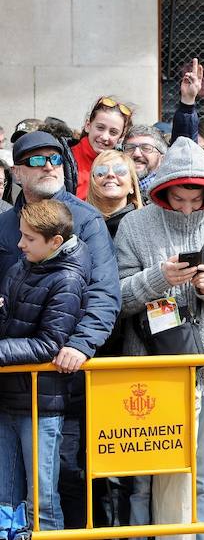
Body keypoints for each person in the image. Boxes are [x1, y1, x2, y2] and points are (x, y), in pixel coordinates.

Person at [116, 136, 204, 540]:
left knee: (200, 475)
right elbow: (117, 297)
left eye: (195, 199)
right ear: (162, 190)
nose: (187, 207)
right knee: (145, 479)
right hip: (151, 372)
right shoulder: (134, 224)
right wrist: (157, 277)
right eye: (178, 198)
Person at [0, 199, 91, 532]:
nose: (20, 243)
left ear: (55, 241)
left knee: (42, 498)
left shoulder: (66, 280)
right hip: (11, 395)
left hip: (41, 401)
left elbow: (48, 344)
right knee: (5, 497)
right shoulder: (24, 265)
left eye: (29, 238)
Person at [71, 96, 133, 199]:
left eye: (113, 132)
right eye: (100, 128)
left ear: (121, 136)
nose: (104, 137)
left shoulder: (124, 164)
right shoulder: (65, 160)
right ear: (88, 125)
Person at [86, 150, 143, 237]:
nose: (110, 174)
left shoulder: (142, 225)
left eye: (120, 170)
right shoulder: (79, 222)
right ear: (93, 182)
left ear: (132, 185)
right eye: (101, 171)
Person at [122, 125, 168, 204]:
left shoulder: (167, 193)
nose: (136, 154)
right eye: (130, 148)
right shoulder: (112, 187)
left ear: (162, 158)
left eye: (146, 148)